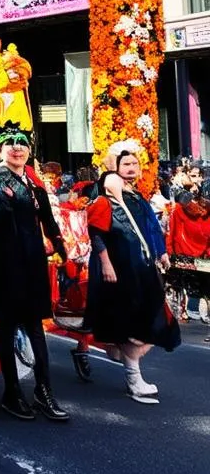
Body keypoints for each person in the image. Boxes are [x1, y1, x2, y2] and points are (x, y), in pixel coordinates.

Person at [0, 122, 69, 421]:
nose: (17, 147)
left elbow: (49, 220)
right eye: (10, 143)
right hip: (8, 267)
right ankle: (12, 392)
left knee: (35, 328)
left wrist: (60, 246)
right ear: (0, 149)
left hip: (33, 266)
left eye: (22, 143)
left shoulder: (33, 185)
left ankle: (44, 391)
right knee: (7, 327)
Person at [85, 140, 180, 404]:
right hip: (121, 269)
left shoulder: (136, 196)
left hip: (142, 268)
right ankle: (133, 378)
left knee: (151, 320)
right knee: (133, 323)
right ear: (114, 167)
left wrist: (161, 252)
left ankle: (121, 356)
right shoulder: (105, 199)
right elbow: (96, 234)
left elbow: (149, 226)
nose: (131, 168)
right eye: (125, 164)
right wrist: (106, 263)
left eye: (135, 164)